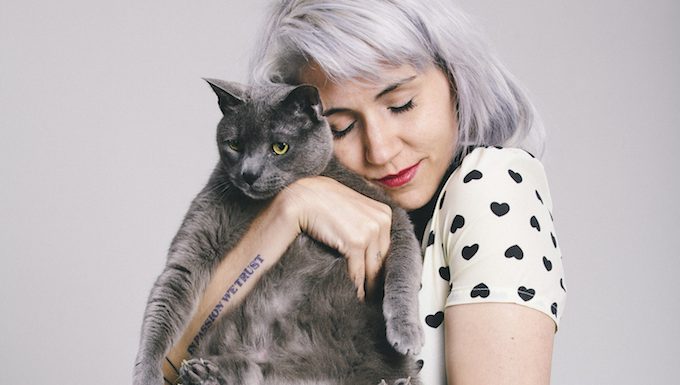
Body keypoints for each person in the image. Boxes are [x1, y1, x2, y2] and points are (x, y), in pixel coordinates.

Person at [163, 1, 566, 384]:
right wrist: (285, 215)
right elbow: (170, 370)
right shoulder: (322, 216)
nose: (381, 149)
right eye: (340, 127)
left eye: (401, 104)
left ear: (456, 82)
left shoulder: (492, 184)